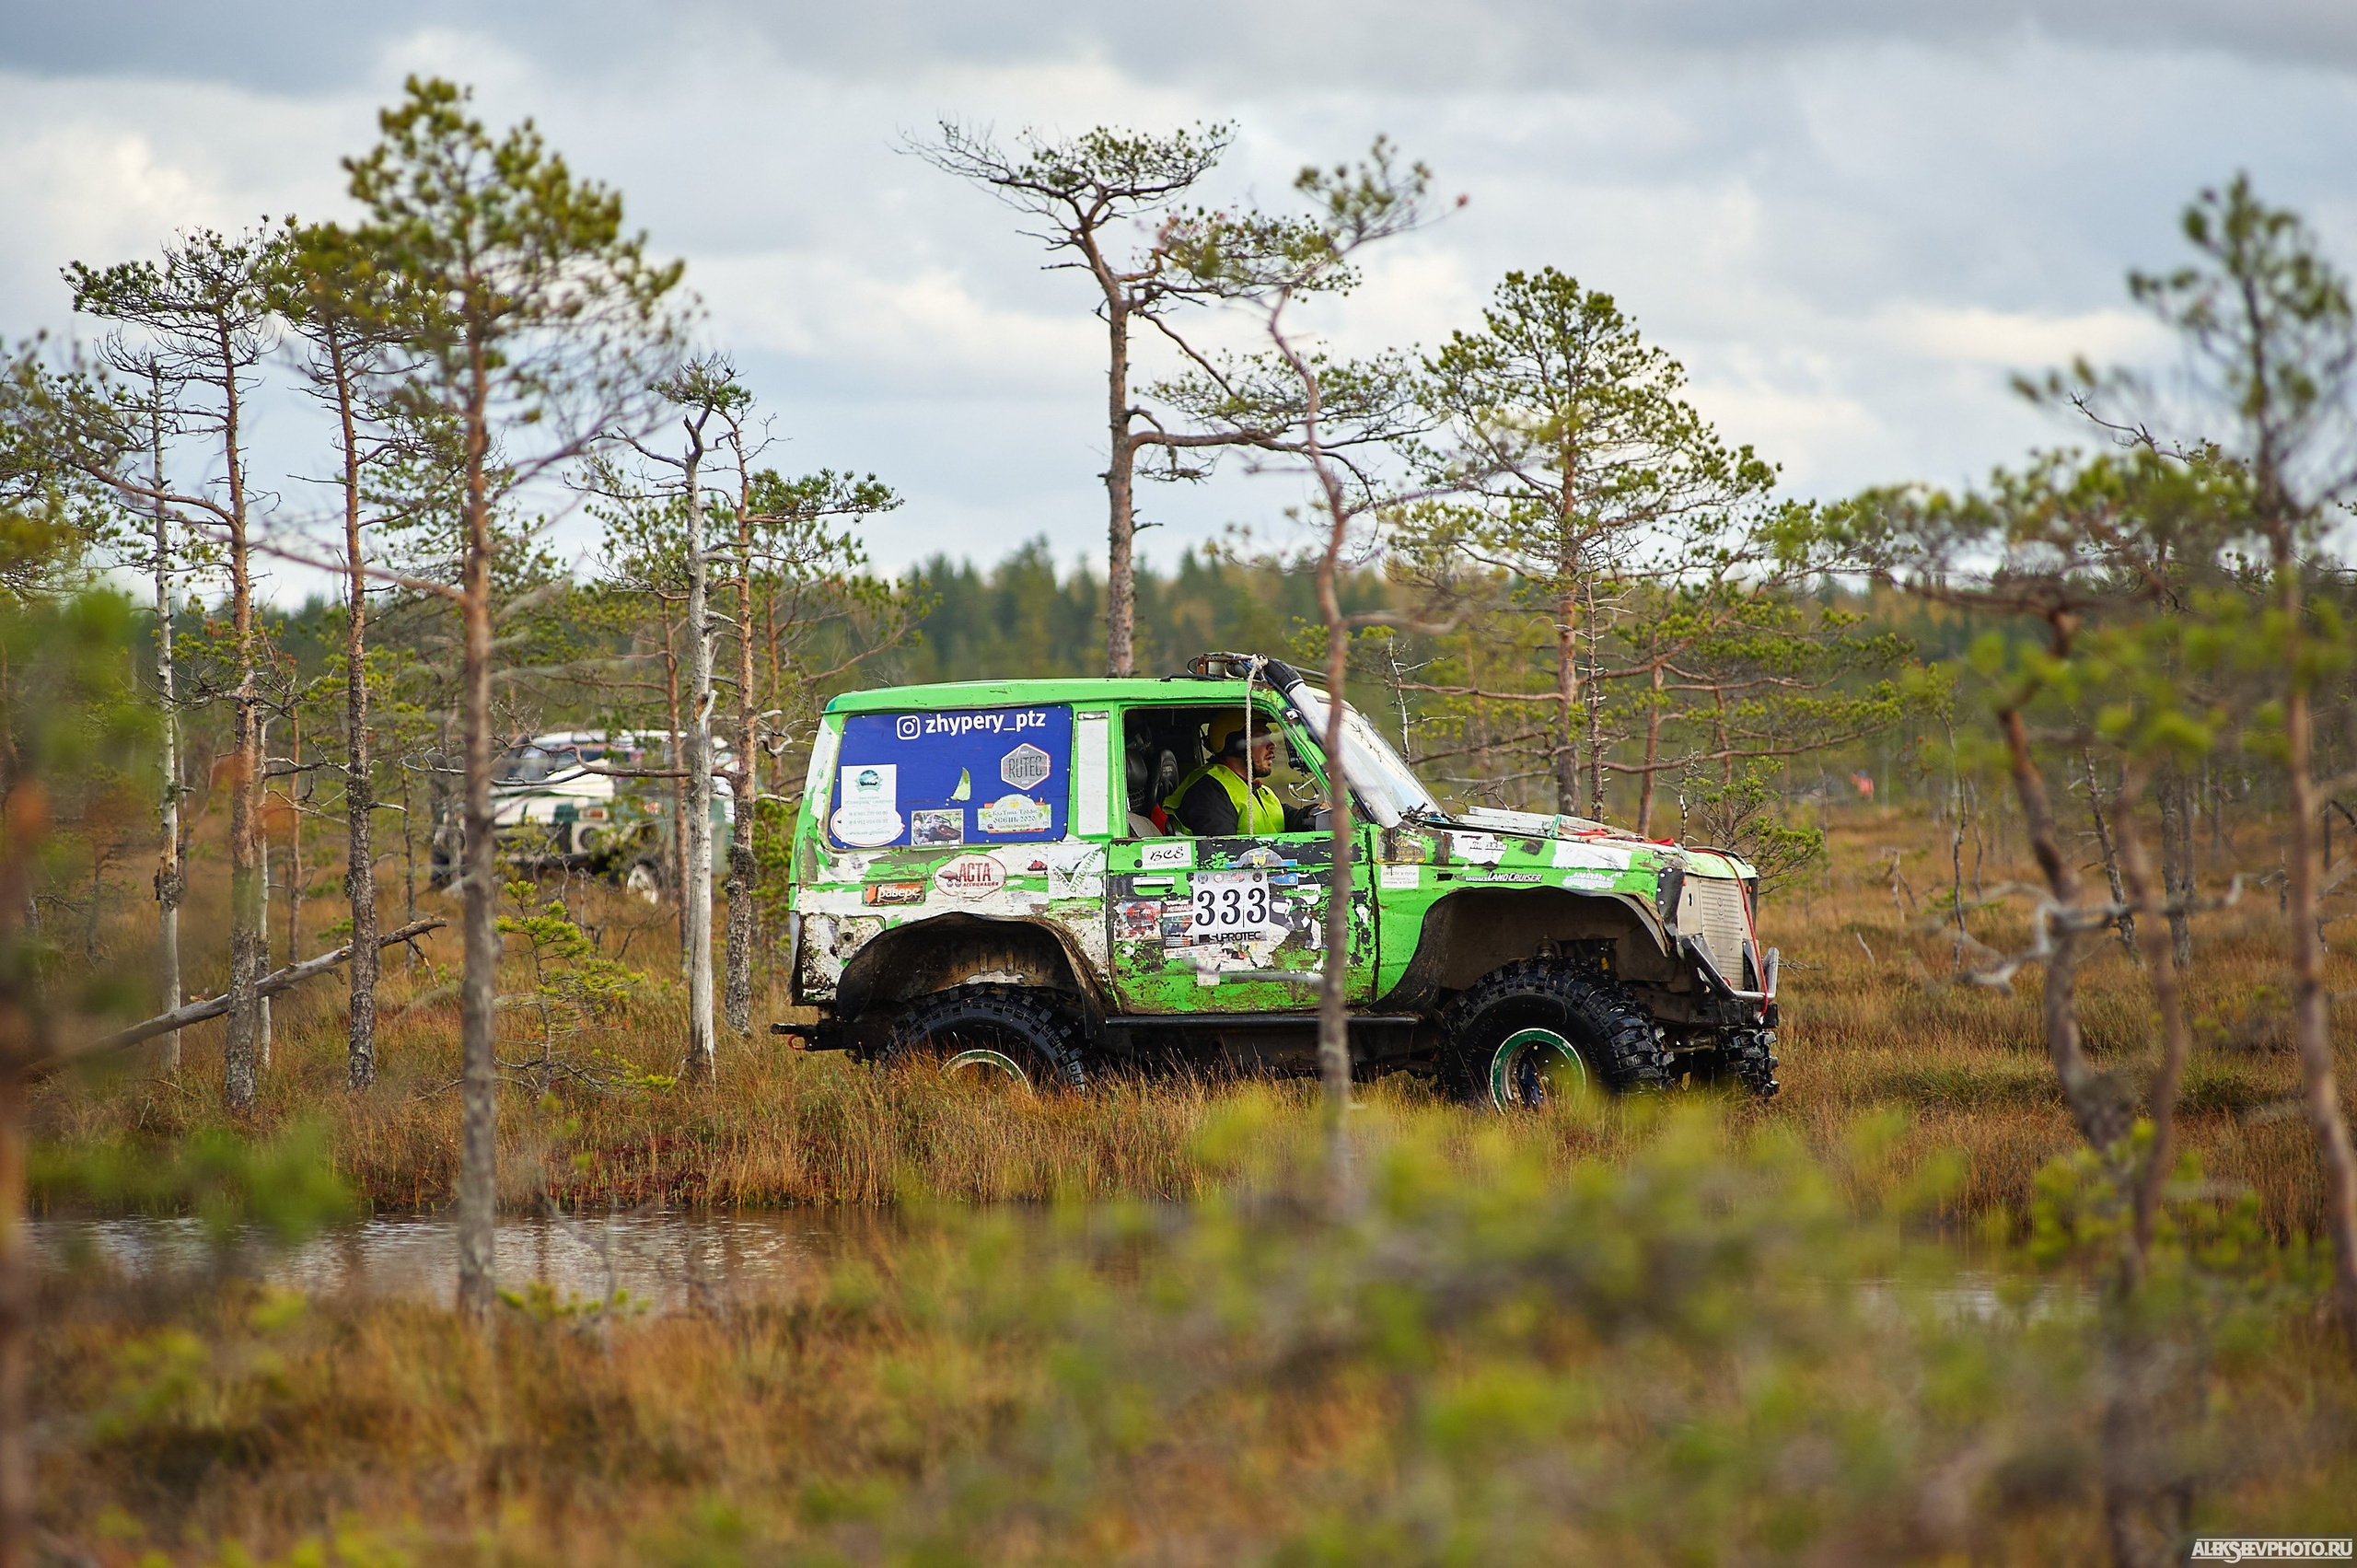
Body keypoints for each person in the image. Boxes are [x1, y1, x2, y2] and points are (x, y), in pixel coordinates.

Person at [1163, 714, 1315, 837]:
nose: (1272, 745)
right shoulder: (1209, 791)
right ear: (1235, 743)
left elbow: (1282, 819)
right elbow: (1223, 852)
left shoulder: (1257, 789)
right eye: (1260, 738)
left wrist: (1313, 812)